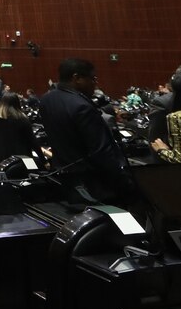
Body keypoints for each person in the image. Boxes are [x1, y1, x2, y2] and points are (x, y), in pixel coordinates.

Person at [40, 58, 133, 204]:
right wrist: (123, 180)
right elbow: (100, 150)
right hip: (93, 181)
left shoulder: (47, 99)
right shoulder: (81, 105)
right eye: (92, 78)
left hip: (65, 174)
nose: (95, 83)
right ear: (76, 78)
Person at [0, 92, 38, 160]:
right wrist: (44, 161)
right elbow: (32, 140)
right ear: (17, 103)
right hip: (23, 158)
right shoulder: (22, 118)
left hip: (1, 155)